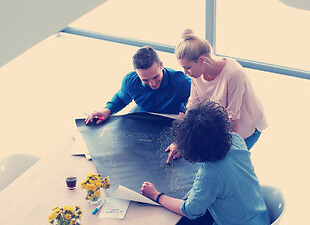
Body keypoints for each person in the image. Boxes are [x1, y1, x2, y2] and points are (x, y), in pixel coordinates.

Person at [141, 101, 270, 225]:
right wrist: (183, 143)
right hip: (260, 218)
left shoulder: (210, 174)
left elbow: (190, 211)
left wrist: (156, 195)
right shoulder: (237, 140)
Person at [165, 29, 268, 163]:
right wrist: (179, 142)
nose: (185, 72)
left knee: (229, 163)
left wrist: (229, 154)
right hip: (222, 120)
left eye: (187, 67)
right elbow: (192, 108)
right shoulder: (197, 75)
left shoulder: (234, 74)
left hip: (245, 126)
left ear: (201, 60)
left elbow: (233, 118)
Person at [85, 46, 191, 124]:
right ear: (136, 73)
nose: (153, 83)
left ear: (161, 65)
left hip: (171, 121)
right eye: (145, 80)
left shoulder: (183, 82)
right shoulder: (130, 81)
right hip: (145, 118)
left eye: (155, 77)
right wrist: (107, 110)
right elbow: (121, 99)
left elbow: (195, 108)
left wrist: (185, 117)